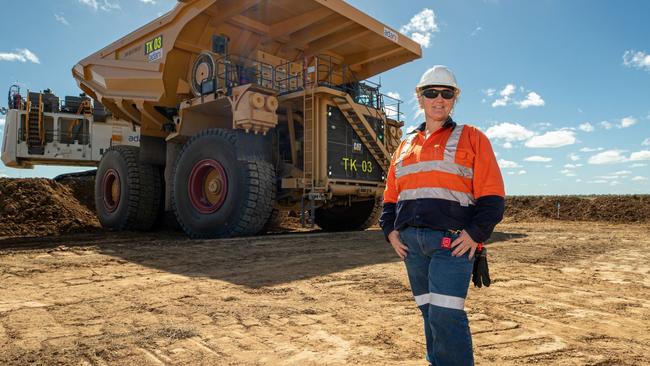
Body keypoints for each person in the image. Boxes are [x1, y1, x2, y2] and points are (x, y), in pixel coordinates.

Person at [379, 65, 505, 365]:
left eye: (446, 93)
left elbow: (493, 198)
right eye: (430, 93)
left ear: (454, 99)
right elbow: (391, 197)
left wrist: (475, 234)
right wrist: (390, 231)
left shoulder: (473, 138)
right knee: (429, 312)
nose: (439, 99)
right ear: (419, 98)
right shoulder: (406, 144)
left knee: (446, 316)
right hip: (412, 246)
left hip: (451, 245)